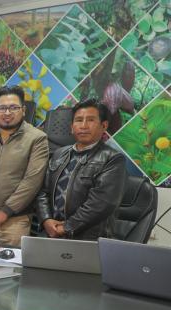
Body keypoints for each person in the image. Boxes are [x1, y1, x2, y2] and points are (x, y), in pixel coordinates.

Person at [0, 86, 49, 246]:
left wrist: (6, 211)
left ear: (23, 110)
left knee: (13, 261)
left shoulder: (37, 139)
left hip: (15, 220)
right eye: (2, 108)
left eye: (13, 108)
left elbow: (32, 181)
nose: (7, 113)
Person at [36, 98, 126, 240]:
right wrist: (46, 220)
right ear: (72, 127)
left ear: (104, 126)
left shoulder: (113, 159)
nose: (83, 126)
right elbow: (43, 191)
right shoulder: (59, 154)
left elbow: (100, 204)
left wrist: (66, 228)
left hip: (88, 238)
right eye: (78, 120)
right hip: (52, 233)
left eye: (90, 120)